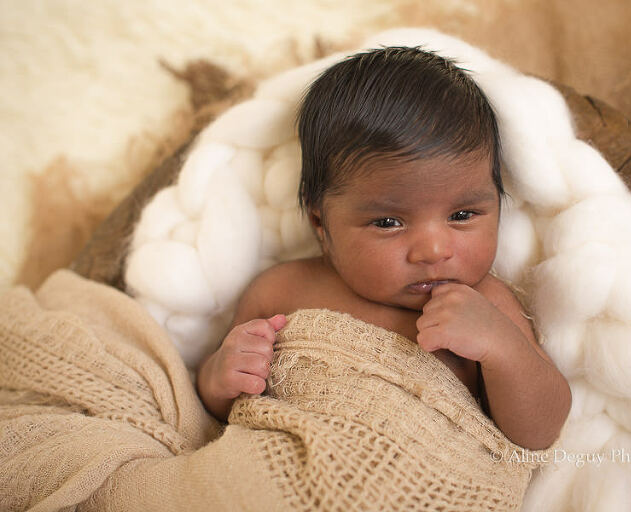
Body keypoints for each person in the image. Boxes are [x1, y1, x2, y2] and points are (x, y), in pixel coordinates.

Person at [196, 46, 571, 451]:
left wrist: (502, 348)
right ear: (321, 223)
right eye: (388, 222)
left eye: (462, 215)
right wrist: (222, 375)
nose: (433, 249)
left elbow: (540, 431)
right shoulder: (280, 292)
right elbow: (219, 406)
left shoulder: (488, 306)